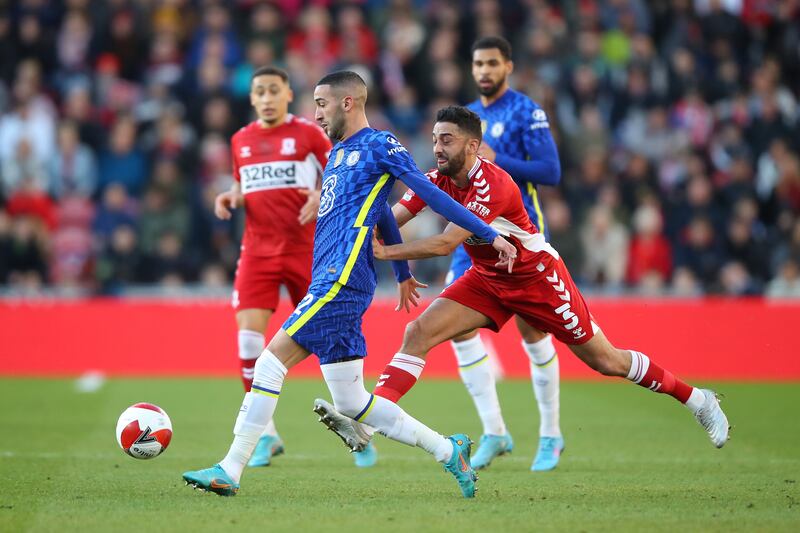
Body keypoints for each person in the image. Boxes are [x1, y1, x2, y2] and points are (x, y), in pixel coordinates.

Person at [313, 106, 730, 465]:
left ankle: (697, 399)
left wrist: (384, 254)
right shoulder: (437, 179)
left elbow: (445, 243)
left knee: (608, 362)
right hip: (488, 280)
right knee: (417, 332)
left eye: (448, 141)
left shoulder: (493, 184)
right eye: (436, 139)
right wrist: (355, 232)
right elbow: (393, 217)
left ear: (473, 146)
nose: (438, 148)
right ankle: (364, 422)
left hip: (538, 280)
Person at [182, 71, 518, 498]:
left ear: (347, 103)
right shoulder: (339, 152)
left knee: (269, 364)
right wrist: (401, 275)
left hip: (341, 279)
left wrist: (487, 232)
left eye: (321, 103)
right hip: (328, 276)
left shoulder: (380, 144)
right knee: (351, 402)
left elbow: (432, 196)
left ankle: (230, 468)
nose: (315, 113)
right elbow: (379, 212)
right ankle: (448, 450)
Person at [454, 35, 564, 471]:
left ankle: (551, 434)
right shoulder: (467, 117)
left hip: (519, 238)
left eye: (492, 63)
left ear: (508, 66)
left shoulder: (526, 111)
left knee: (533, 334)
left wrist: (500, 161)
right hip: (470, 237)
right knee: (458, 330)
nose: (483, 70)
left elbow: (550, 172)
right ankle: (495, 431)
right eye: (478, 63)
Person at [215, 66, 331, 467]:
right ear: (251, 99)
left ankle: (356, 416)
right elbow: (242, 186)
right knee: (248, 341)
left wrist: (319, 193)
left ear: (286, 95)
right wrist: (231, 197)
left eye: (273, 91)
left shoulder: (308, 134)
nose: (265, 98)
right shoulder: (241, 140)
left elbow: (340, 171)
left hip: (306, 249)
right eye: (259, 91)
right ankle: (264, 434)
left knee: (329, 337)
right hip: (258, 250)